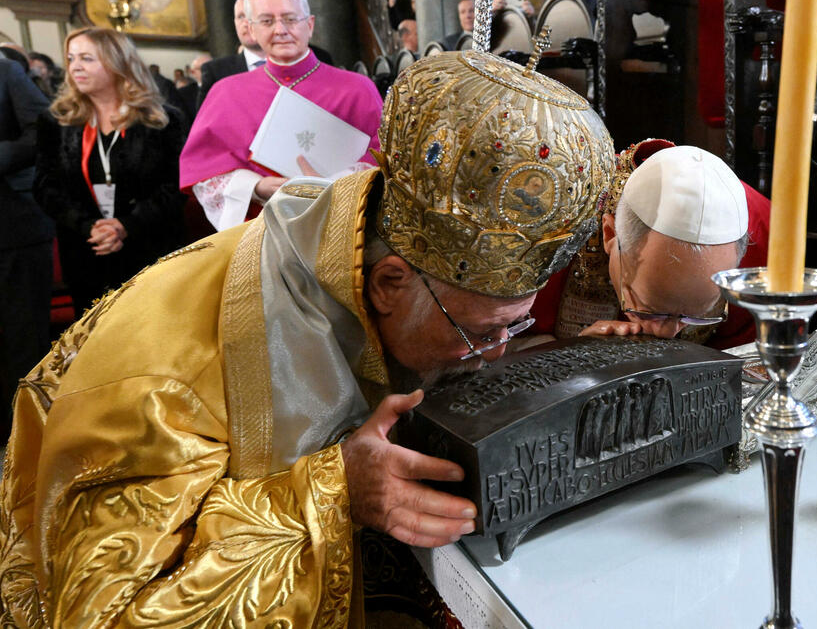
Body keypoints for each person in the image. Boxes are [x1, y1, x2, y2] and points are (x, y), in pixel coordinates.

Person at [0, 47, 615, 626]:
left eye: (515, 325)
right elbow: (103, 610)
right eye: (481, 332)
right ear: (387, 284)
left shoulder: (364, 241)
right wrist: (332, 491)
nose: (494, 354)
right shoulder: (169, 378)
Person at [182, 0, 382, 231]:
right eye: (267, 21)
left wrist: (332, 185)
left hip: (342, 229)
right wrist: (254, 186)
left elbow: (385, 158)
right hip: (257, 232)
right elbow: (204, 172)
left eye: (290, 18)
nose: (280, 30)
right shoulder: (225, 93)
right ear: (252, 30)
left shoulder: (357, 88)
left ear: (309, 25)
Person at [543, 140, 769, 349]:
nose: (667, 334)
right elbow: (512, 344)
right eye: (651, 312)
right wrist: (573, 353)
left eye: (698, 315)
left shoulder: (766, 242)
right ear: (610, 235)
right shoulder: (557, 218)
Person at [32, 27, 188, 319]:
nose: (75, 66)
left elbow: (177, 185)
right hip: (86, 251)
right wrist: (89, 226)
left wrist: (126, 224)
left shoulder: (162, 119)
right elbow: (45, 186)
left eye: (87, 58)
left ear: (118, 63)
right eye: (71, 58)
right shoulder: (56, 121)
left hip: (151, 249)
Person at [0, 55, 53, 441]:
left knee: (21, 338)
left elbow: (42, 128)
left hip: (11, 229)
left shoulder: (5, 71)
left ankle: (29, 436)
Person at [197, 0, 335, 110]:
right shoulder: (216, 71)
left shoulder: (318, 57)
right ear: (235, 23)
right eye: (241, 17)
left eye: (259, 17)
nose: (247, 22)